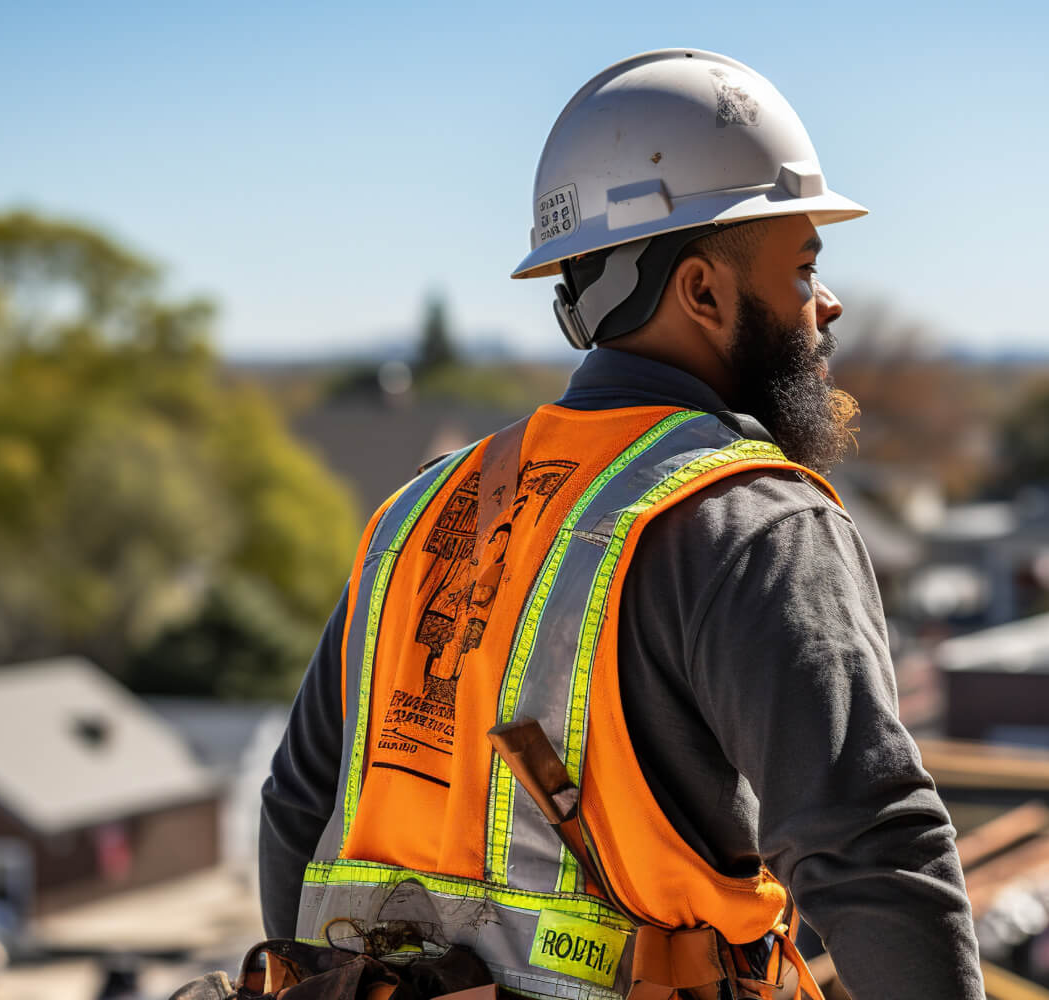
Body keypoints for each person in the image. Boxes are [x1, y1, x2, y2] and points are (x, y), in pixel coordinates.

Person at [260, 49, 984, 1000]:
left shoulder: (418, 512)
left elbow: (297, 810)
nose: (828, 302)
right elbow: (872, 853)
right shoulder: (753, 524)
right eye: (804, 266)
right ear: (702, 292)